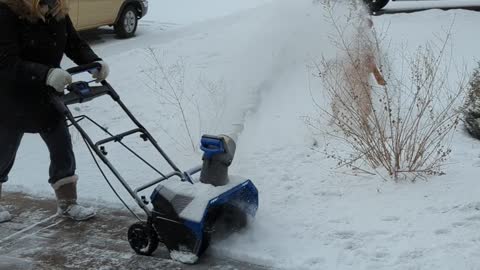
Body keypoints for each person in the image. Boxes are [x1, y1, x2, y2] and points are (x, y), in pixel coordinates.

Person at [0, 0, 110, 222]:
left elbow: (74, 44)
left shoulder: (57, 11)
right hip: (11, 98)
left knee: (62, 149)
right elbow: (6, 61)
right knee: (2, 153)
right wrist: (46, 73)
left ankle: (68, 204)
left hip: (48, 96)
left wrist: (94, 62)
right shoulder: (7, 11)